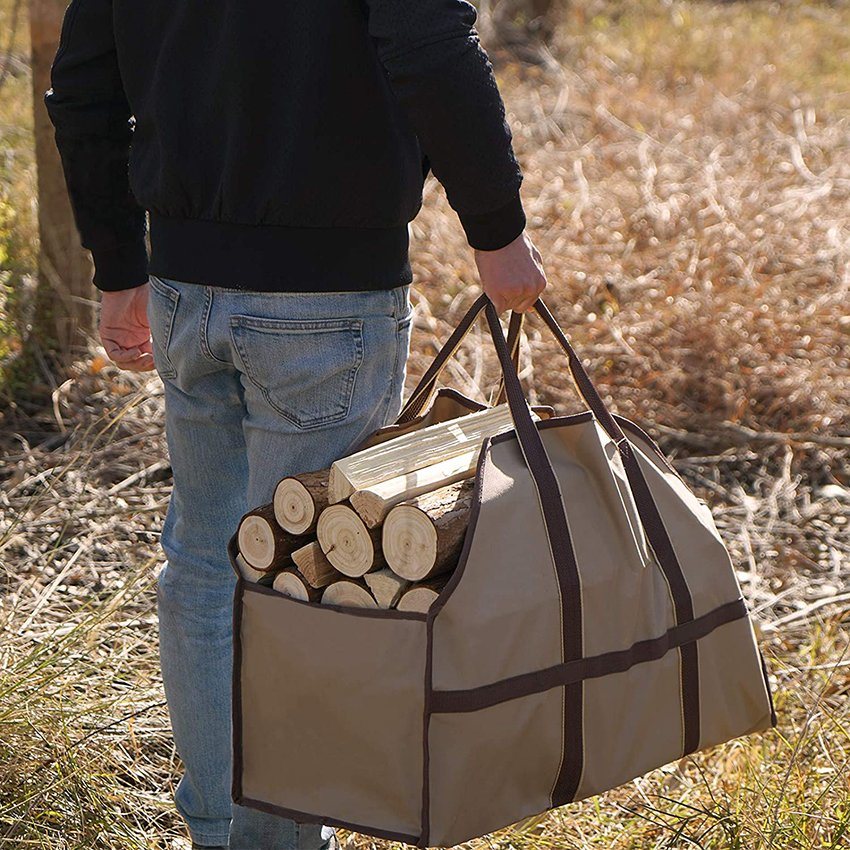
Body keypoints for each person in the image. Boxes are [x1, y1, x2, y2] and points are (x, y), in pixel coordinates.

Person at [44, 1, 547, 847]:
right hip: (327, 300)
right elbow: (428, 45)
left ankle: (217, 826)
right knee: (305, 582)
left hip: (184, 291)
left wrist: (121, 264)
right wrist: (496, 232)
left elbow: (83, 86)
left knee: (204, 566)